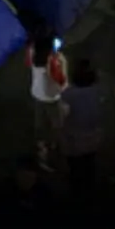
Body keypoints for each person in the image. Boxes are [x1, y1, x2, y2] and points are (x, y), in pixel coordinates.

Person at [60, 59, 106, 197]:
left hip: (74, 140)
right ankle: (89, 191)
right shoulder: (98, 91)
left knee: (75, 168)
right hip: (93, 136)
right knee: (89, 164)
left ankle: (78, 193)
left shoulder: (68, 95)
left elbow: (62, 115)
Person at [28, 31, 67, 168]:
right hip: (51, 99)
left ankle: (41, 152)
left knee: (40, 125)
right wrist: (62, 63)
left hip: (36, 94)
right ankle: (52, 153)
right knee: (56, 126)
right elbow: (62, 83)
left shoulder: (33, 53)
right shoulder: (53, 63)